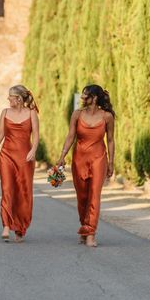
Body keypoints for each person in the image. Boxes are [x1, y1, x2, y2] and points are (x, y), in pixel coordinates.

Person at [56, 84, 115, 247]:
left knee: (94, 195)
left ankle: (90, 233)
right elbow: (70, 137)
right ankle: (84, 227)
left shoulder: (107, 116)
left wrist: (111, 162)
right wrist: (62, 156)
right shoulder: (77, 114)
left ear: (94, 98)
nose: (82, 98)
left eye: (85, 95)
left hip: (98, 158)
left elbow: (110, 140)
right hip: (79, 158)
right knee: (82, 197)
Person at [0, 85, 39, 242]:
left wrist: (33, 150)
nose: (8, 99)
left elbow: (36, 135)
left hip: (25, 157)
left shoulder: (31, 113)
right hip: (7, 155)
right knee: (7, 189)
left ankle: (20, 228)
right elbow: (0, 133)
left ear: (19, 99)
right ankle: (7, 225)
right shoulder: (5, 112)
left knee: (23, 191)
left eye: (10, 97)